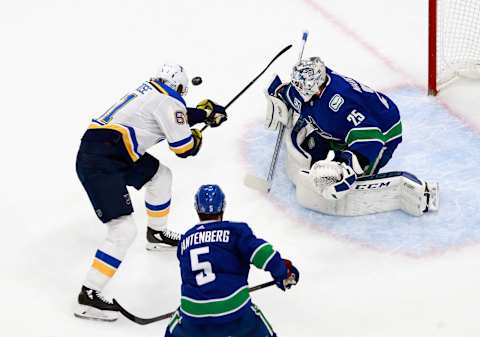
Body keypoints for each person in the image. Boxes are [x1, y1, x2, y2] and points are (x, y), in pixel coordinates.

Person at [74, 64, 228, 321]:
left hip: (109, 150)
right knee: (122, 231)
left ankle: (156, 234)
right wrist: (196, 137)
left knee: (161, 176)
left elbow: (169, 116)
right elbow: (184, 148)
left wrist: (201, 115)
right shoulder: (168, 102)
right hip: (103, 161)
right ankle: (88, 295)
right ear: (179, 87)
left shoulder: (150, 93)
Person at [264, 57, 438, 216]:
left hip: (383, 132)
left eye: (302, 88)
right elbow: (294, 94)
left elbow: (372, 137)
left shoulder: (339, 103)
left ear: (317, 88)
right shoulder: (316, 86)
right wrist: (279, 93)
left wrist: (349, 167)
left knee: (356, 174)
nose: (299, 91)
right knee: (315, 149)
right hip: (343, 127)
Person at [165, 184, 299, 337]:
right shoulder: (235, 231)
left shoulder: (184, 240)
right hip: (234, 311)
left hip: (193, 316)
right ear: (223, 206)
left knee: (172, 331)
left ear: (196, 208)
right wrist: (283, 273)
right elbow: (264, 254)